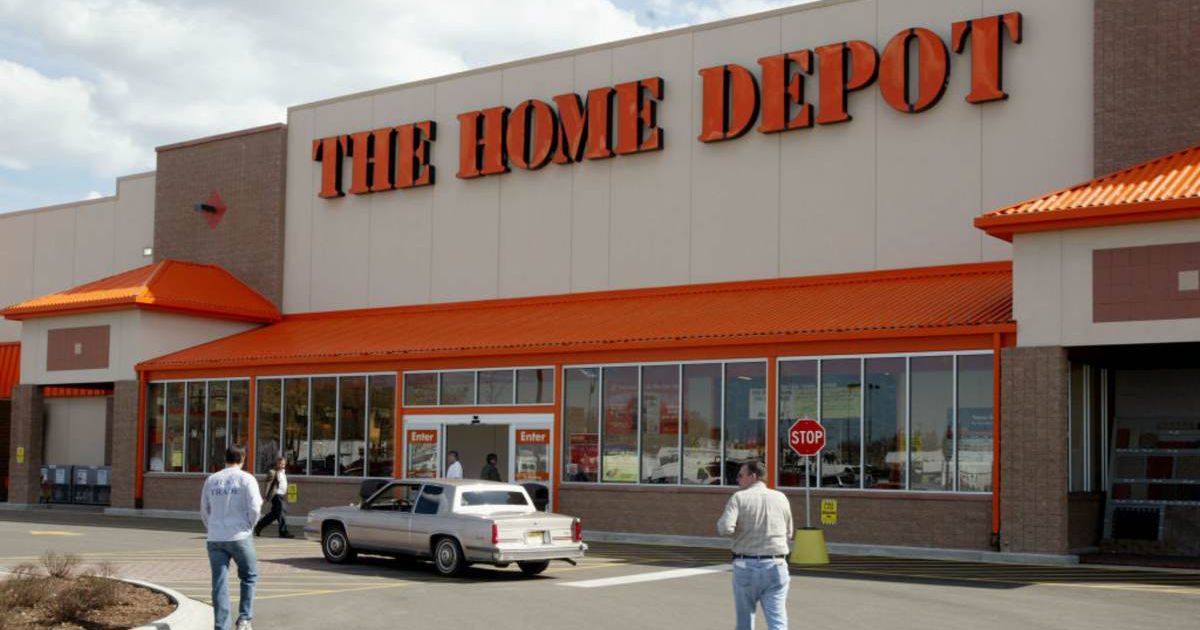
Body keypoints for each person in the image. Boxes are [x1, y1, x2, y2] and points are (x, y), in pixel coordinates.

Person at [717, 459, 794, 630]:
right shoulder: (781, 498)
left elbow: (725, 528)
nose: (737, 479)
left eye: (740, 475)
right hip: (777, 565)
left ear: (753, 476)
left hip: (746, 565)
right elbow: (789, 532)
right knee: (777, 621)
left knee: (745, 621)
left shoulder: (739, 497)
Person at [201, 445, 262, 630]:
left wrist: (212, 527)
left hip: (215, 537)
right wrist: (250, 526)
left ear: (225, 458)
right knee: (249, 576)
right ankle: (244, 619)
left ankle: (221, 626)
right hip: (240, 535)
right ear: (243, 459)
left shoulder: (212, 480)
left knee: (219, 583)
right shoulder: (247, 479)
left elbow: (204, 510)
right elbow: (255, 508)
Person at [254, 457, 294, 538]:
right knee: (282, 512)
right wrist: (265, 496)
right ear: (277, 463)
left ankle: (258, 527)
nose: (281, 465)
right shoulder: (273, 472)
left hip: (282, 495)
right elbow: (268, 484)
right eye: (280, 463)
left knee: (274, 515)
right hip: (276, 495)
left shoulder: (283, 472)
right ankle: (283, 532)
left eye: (283, 464)